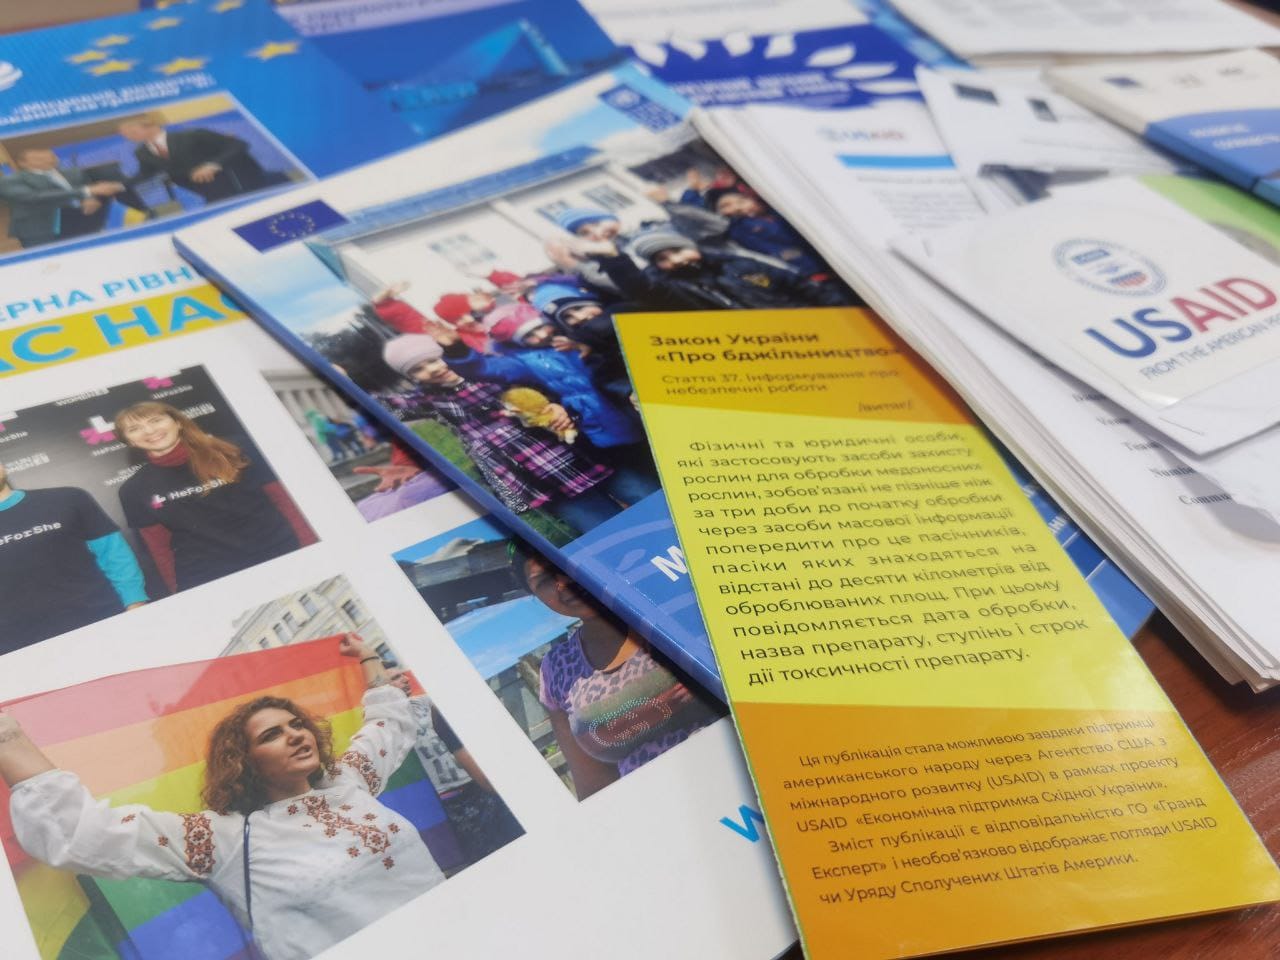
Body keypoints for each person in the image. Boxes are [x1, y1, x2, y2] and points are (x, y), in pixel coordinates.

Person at [0, 635, 446, 960]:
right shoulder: (226, 840)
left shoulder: (350, 784)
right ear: (243, 762)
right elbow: (85, 834)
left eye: (297, 725)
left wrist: (367, 656)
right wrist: (9, 738)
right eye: (272, 735)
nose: (295, 735)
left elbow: (387, 722)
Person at [514, 546, 724, 800]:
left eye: (565, 564)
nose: (562, 583)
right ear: (536, 596)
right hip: (657, 803)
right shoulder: (556, 669)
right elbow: (593, 784)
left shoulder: (664, 603)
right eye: (544, 581)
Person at [381, 334, 624, 535]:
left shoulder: (487, 371)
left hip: (558, 445)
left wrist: (553, 405)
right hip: (520, 466)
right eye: (418, 370)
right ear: (411, 378)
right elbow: (386, 407)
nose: (432, 369)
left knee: (628, 489)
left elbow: (538, 385)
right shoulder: (427, 399)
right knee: (596, 524)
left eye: (434, 360)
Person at [429, 310, 661, 507]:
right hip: (603, 428)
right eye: (529, 335)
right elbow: (485, 369)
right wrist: (456, 349)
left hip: (633, 408)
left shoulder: (572, 335)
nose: (541, 336)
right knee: (647, 474)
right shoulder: (522, 360)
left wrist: (585, 342)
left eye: (540, 327)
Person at [114, 402, 316, 593]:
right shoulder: (132, 490)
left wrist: (311, 547)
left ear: (177, 422)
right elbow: (159, 548)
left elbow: (286, 503)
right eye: (135, 429)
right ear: (129, 441)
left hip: (279, 553)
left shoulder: (235, 449)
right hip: (208, 575)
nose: (149, 431)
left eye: (156, 420)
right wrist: (179, 592)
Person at [0, 462, 147, 651]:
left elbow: (114, 555)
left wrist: (135, 604)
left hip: (103, 622)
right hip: (19, 646)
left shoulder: (67, 498)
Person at [386, 668, 523, 864]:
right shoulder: (387, 723)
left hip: (475, 784)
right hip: (445, 801)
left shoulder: (426, 702)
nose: (405, 679)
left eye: (403, 675)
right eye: (395, 678)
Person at [581, 228, 855, 311]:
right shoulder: (673, 288)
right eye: (662, 259)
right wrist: (614, 258)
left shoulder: (738, 264)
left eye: (677, 250)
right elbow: (643, 289)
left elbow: (800, 286)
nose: (675, 260)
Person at [119, 117, 273, 203]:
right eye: (125, 135)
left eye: (132, 131)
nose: (129, 136)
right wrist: (119, 185)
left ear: (150, 125)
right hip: (204, 193)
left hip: (237, 185)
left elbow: (238, 145)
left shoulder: (192, 135)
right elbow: (145, 174)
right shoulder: (141, 152)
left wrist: (212, 165)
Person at [0, 148, 126, 248]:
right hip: (41, 231)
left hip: (82, 223)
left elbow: (90, 188)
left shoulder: (73, 172)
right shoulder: (10, 181)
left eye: (50, 156)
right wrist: (86, 191)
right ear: (22, 163)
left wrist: (91, 198)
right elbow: (35, 197)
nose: (46, 160)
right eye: (39, 159)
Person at [703, 184, 832, 279]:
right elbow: (779, 253)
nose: (737, 207)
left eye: (741, 201)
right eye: (725, 206)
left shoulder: (776, 211)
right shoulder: (741, 230)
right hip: (813, 269)